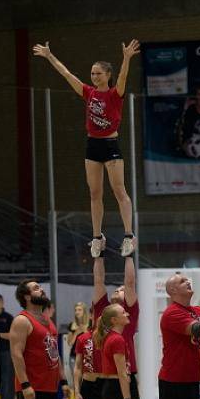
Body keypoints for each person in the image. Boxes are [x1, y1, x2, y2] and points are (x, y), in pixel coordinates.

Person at [32, 39, 140, 258]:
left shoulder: (114, 94)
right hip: (93, 145)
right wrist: (49, 56)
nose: (94, 76)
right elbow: (67, 74)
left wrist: (126, 58)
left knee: (119, 191)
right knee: (94, 193)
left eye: (98, 73)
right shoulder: (89, 92)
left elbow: (123, 77)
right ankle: (97, 237)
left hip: (110, 144)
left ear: (107, 75)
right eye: (92, 73)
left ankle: (129, 235)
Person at [91, 250, 146, 399]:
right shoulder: (106, 315)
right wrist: (98, 254)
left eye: (122, 291)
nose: (119, 290)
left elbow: (130, 282)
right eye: (118, 290)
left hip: (122, 379)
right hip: (112, 380)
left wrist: (129, 254)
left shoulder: (128, 317)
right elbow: (98, 280)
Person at [67, 302, 92, 399]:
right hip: (74, 356)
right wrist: (77, 332)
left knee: (86, 381)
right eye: (76, 310)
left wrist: (84, 330)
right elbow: (70, 343)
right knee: (76, 381)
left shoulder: (89, 324)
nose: (77, 312)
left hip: (87, 356)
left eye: (79, 310)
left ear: (84, 311)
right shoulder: (72, 325)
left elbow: (91, 338)